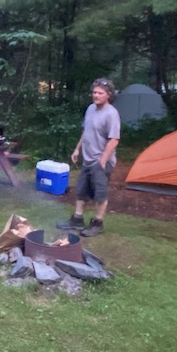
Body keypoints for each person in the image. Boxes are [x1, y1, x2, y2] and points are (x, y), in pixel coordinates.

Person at [56, 77, 121, 237]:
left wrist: (103, 161)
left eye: (100, 93)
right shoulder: (91, 109)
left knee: (100, 193)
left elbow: (114, 140)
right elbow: (86, 131)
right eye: (94, 92)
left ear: (108, 95)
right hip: (87, 158)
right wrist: (77, 149)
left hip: (101, 160)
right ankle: (77, 219)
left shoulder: (111, 114)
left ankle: (98, 223)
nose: (96, 95)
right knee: (81, 190)